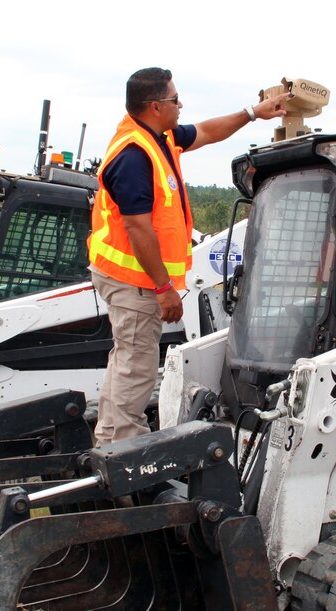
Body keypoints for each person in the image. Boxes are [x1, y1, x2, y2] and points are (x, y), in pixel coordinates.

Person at [88, 67, 290, 447]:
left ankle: (110, 438)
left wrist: (252, 113)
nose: (181, 106)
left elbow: (208, 132)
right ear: (154, 106)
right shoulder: (134, 156)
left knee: (125, 360)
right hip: (135, 281)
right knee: (136, 368)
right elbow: (139, 229)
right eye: (175, 100)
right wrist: (164, 288)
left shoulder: (156, 136)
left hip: (131, 277)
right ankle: (123, 452)